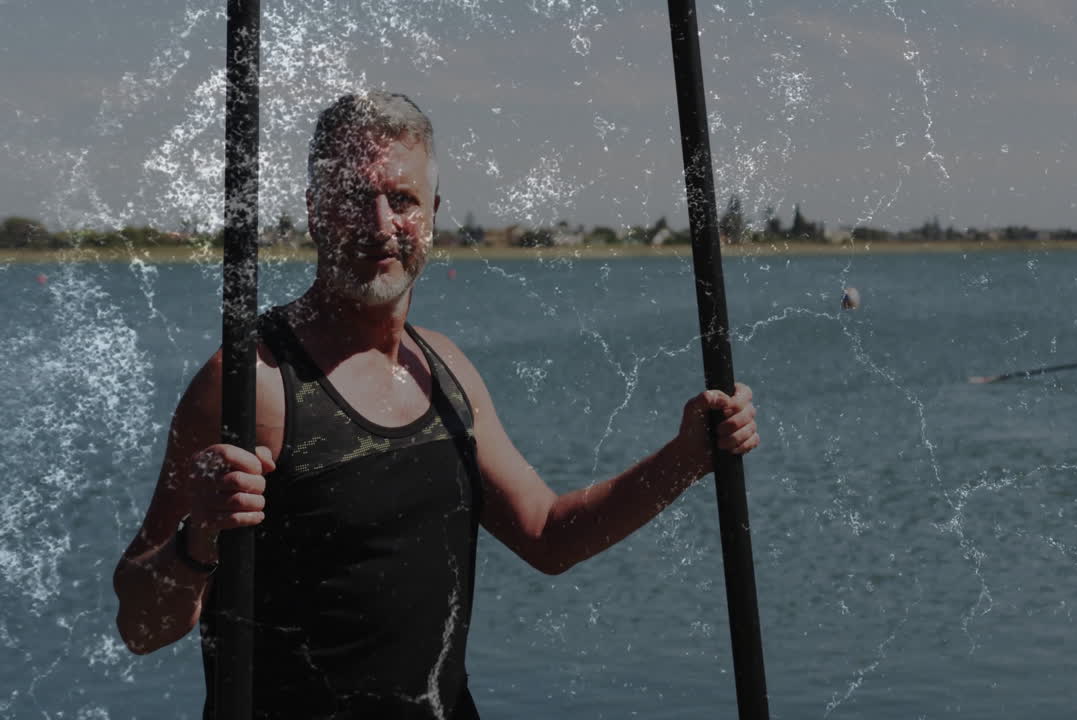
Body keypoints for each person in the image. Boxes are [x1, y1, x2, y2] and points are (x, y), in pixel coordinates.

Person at [112, 91, 760, 719]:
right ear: (313, 211)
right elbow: (141, 625)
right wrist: (198, 538)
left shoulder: (446, 369)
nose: (379, 225)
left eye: (402, 200)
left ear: (433, 215)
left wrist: (686, 458)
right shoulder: (251, 383)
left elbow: (548, 536)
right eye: (353, 199)